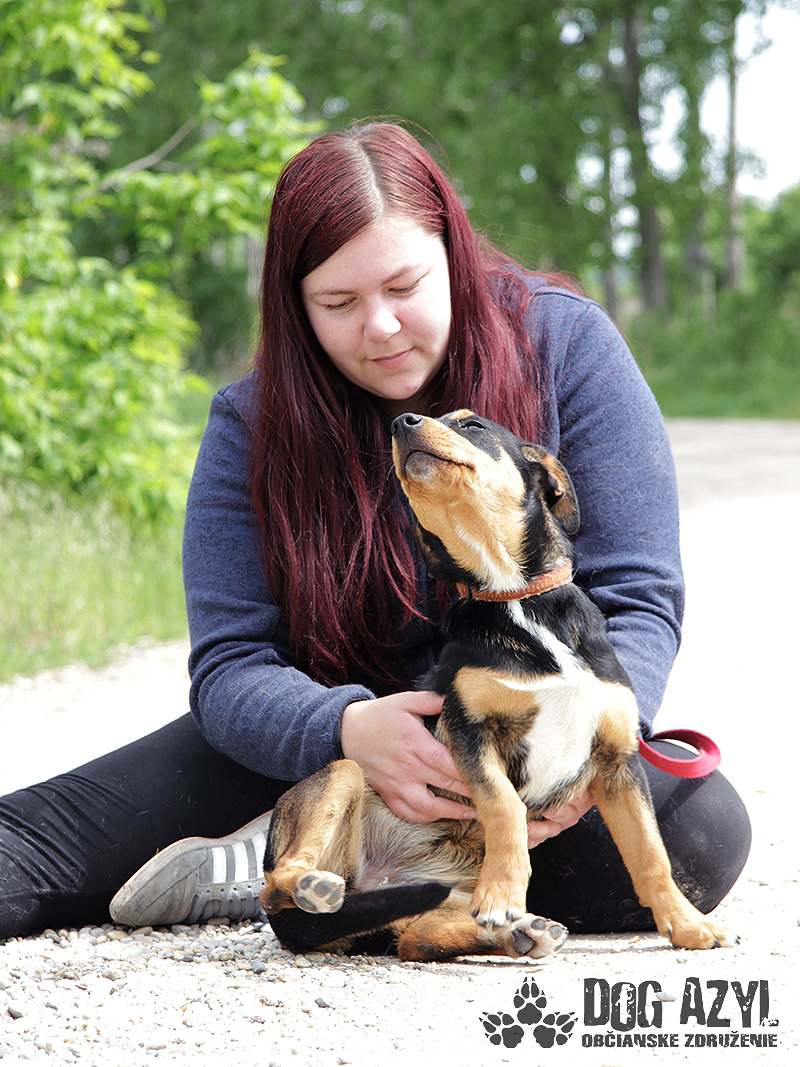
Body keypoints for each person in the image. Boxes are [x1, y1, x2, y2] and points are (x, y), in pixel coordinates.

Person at [0, 122, 750, 943]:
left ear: (454, 257)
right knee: (24, 848)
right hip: (320, 752)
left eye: (404, 285)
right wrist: (347, 727)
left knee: (700, 828)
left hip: (523, 751)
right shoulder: (249, 423)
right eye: (339, 303)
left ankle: (293, 882)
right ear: (296, 306)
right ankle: (288, 856)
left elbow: (639, 595)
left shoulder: (567, 344)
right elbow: (229, 665)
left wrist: (574, 756)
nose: (382, 326)